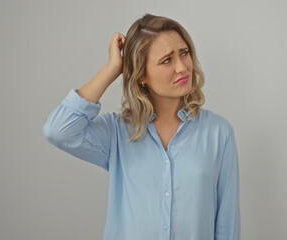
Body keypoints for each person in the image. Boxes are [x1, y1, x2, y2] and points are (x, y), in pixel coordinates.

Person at [42, 13, 240, 240]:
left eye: (184, 53)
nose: (182, 67)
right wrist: (112, 68)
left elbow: (226, 224)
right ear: (142, 75)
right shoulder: (117, 133)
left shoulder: (219, 133)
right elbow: (58, 130)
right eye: (167, 60)